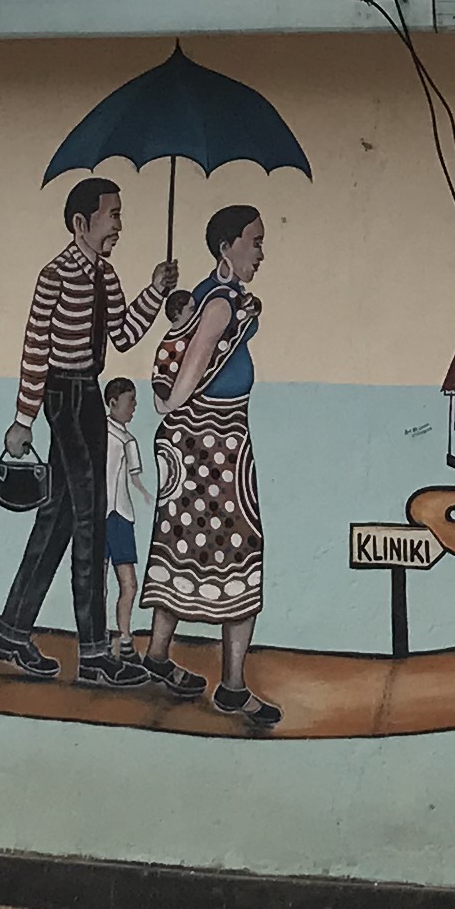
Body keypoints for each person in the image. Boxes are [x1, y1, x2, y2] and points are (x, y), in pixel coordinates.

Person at [0, 177, 178, 687]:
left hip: (90, 396)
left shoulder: (108, 276)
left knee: (59, 519)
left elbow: (123, 334)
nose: (119, 224)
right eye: (112, 214)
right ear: (81, 223)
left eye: (119, 214)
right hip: (63, 398)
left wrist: (156, 291)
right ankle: (95, 657)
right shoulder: (55, 275)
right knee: (91, 518)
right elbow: (34, 349)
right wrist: (24, 419)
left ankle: (11, 634)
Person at [135, 202, 278, 728]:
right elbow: (190, 369)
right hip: (214, 443)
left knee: (182, 544)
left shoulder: (207, 295)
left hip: (201, 443)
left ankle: (156, 655)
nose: (262, 252)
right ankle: (234, 689)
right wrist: (174, 405)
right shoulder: (219, 303)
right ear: (228, 246)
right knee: (238, 550)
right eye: (256, 242)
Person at [101, 376, 147, 642]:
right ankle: (101, 635)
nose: (134, 406)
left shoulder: (130, 441)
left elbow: (135, 479)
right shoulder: (98, 433)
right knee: (101, 584)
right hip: (103, 515)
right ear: (113, 402)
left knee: (128, 585)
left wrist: (147, 495)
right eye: (130, 401)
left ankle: (125, 636)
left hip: (121, 516)